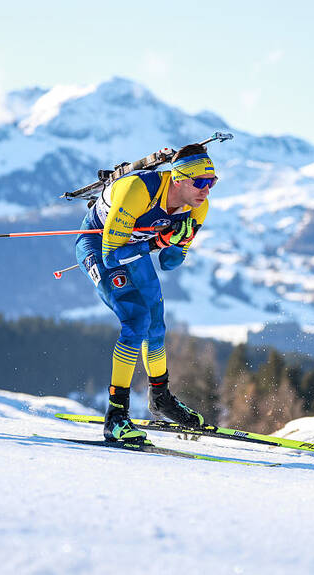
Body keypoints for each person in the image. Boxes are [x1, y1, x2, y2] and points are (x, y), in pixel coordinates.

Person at [75, 143, 218, 442]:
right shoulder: (138, 190)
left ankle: (161, 398)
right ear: (179, 178)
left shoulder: (197, 208)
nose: (206, 190)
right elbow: (112, 256)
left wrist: (181, 241)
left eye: (212, 182)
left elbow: (169, 263)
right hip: (99, 246)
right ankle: (115, 417)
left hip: (134, 249)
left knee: (156, 323)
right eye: (201, 182)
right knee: (136, 319)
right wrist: (157, 243)